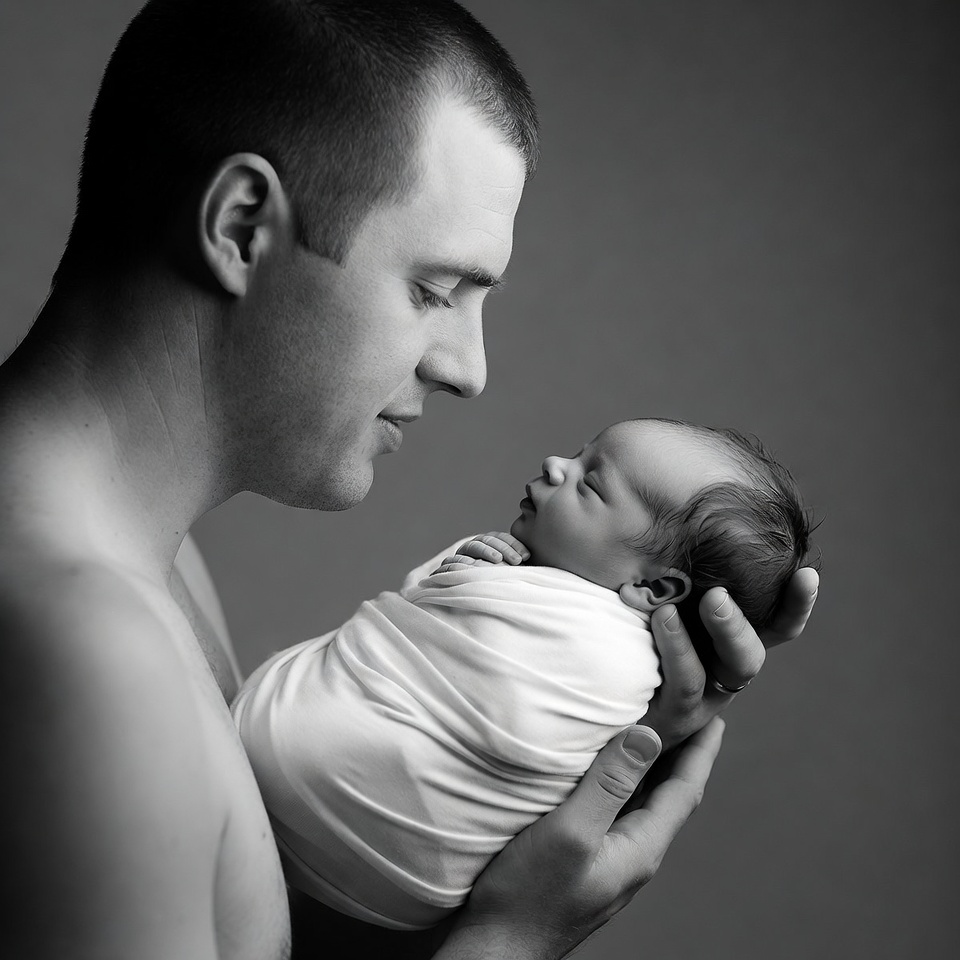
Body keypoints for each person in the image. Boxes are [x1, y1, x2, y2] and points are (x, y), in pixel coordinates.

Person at [0, 2, 818, 958]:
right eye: (434, 291)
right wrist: (509, 941)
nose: (467, 369)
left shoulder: (149, 561)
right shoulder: (87, 649)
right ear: (240, 226)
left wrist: (541, 776)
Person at [233, 417, 814, 932]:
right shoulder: (649, 681)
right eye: (578, 453)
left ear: (656, 588)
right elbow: (428, 621)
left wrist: (457, 573)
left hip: (274, 762)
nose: (555, 465)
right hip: (400, 893)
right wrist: (466, 569)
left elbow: (436, 617)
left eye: (590, 482)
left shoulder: (617, 659)